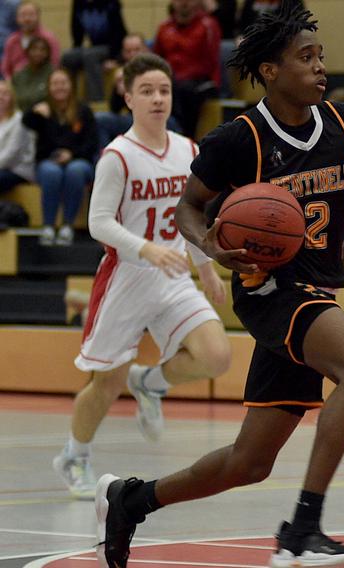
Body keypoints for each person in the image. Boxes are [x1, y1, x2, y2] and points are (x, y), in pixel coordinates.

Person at [93, 5, 344, 567]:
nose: (321, 67)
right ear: (270, 71)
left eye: (321, 56)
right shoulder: (239, 139)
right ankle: (303, 530)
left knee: (249, 462)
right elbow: (187, 210)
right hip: (270, 290)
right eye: (306, 58)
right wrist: (213, 245)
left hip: (319, 294)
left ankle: (132, 499)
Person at [52, 53, 231, 500]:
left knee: (217, 356)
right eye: (147, 91)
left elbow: (190, 215)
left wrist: (206, 268)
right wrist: (145, 248)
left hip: (172, 275)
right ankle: (74, 455)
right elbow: (98, 222)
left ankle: (150, 382)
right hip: (126, 278)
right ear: (127, 97)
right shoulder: (117, 156)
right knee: (106, 383)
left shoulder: (188, 150)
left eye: (164, 90)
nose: (157, 98)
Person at [23, 69, 98, 247]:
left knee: (75, 170)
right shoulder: (43, 110)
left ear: (71, 86)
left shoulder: (84, 111)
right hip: (48, 162)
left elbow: (92, 143)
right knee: (52, 172)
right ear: (49, 87)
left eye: (63, 82)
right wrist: (34, 111)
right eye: (55, 83)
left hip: (79, 160)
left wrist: (72, 154)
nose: (59, 87)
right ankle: (48, 226)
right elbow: (25, 122)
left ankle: (67, 226)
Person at [153, 0, 221, 137]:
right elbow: (156, 59)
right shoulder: (164, 27)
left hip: (201, 82)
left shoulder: (208, 25)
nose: (184, 2)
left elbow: (211, 61)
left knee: (183, 90)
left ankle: (184, 136)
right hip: (173, 81)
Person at [62, 0, 127, 102]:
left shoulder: (111, 4)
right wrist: (77, 50)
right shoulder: (78, 3)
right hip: (94, 47)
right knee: (67, 57)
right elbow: (76, 31)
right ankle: (69, 101)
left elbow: (119, 33)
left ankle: (96, 101)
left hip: (112, 47)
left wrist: (115, 59)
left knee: (90, 55)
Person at [0, 1, 60, 80]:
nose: (27, 19)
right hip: (16, 84)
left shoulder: (49, 39)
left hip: (42, 84)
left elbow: (54, 65)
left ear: (38, 16)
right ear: (17, 18)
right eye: (23, 15)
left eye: (31, 15)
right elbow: (5, 69)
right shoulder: (12, 40)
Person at [0, 79, 34, 193]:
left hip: (18, 170)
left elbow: (12, 154)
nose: (1, 97)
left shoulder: (19, 120)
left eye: (5, 93)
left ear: (12, 97)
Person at [10, 35, 51, 112]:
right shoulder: (18, 76)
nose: (38, 53)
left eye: (42, 49)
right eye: (34, 49)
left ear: (48, 53)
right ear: (27, 52)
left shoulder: (53, 74)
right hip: (21, 116)